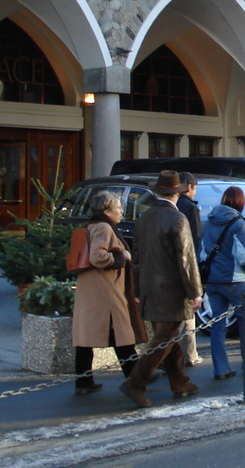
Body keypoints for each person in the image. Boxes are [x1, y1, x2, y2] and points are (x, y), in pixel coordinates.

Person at [118, 170, 202, 408]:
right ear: (178, 193)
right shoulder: (177, 219)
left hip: (149, 289)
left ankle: (180, 382)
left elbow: (136, 258)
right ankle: (136, 382)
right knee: (165, 339)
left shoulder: (144, 218)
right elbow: (186, 260)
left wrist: (136, 290)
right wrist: (195, 291)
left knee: (169, 338)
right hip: (172, 291)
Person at [71, 191, 146, 395]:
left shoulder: (93, 225)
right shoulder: (104, 227)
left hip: (92, 287)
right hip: (106, 289)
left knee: (86, 338)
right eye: (118, 208)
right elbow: (98, 256)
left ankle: (84, 381)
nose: (121, 211)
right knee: (122, 335)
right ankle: (135, 379)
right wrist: (122, 257)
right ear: (106, 211)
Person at [201, 185, 245, 380]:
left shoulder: (208, 222)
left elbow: (202, 251)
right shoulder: (238, 223)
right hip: (234, 279)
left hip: (212, 279)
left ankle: (221, 369)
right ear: (240, 202)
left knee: (217, 325)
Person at [176, 173, 204, 366]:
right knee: (187, 312)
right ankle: (190, 354)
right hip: (185, 263)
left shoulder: (170, 205)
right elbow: (194, 239)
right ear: (189, 187)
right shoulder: (190, 209)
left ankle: (174, 354)